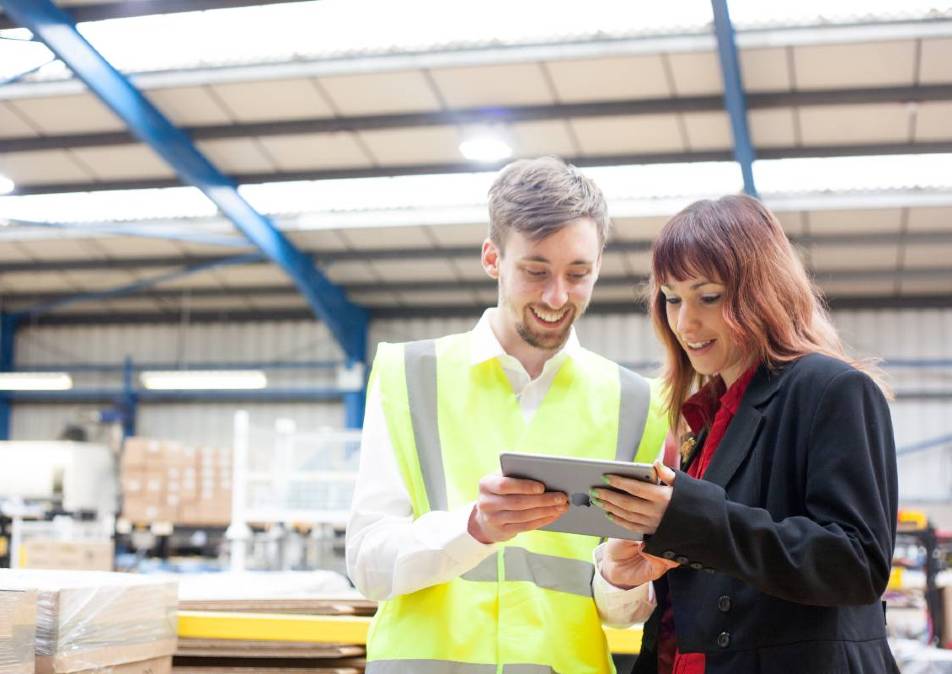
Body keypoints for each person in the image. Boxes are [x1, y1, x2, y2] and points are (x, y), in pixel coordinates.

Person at [346, 156, 669, 673]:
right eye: (535, 271)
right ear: (493, 258)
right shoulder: (407, 375)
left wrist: (622, 579)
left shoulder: (639, 403)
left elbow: (623, 612)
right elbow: (367, 564)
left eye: (578, 274)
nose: (556, 296)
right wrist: (472, 529)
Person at [589, 194, 900, 674]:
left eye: (708, 296)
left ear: (762, 291)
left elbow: (856, 564)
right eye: (672, 299)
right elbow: (714, 588)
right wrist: (632, 574)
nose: (686, 323)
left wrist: (688, 518)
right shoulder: (705, 419)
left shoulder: (833, 389)